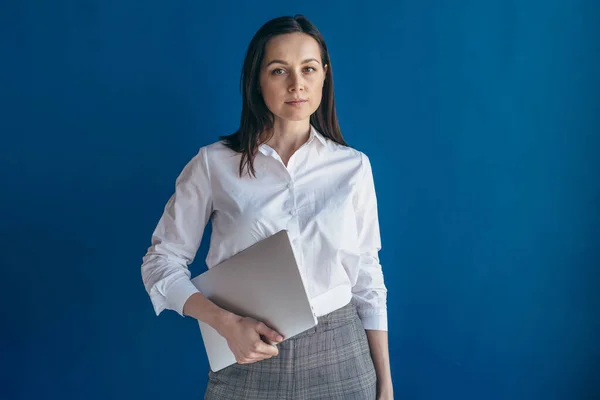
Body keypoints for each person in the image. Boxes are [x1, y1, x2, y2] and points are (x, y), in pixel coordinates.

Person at [141, 14, 393, 400]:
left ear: (324, 75)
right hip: (245, 354)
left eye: (308, 69)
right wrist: (224, 323)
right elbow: (161, 262)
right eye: (279, 71)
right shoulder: (213, 164)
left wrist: (384, 383)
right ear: (257, 80)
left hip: (342, 356)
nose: (297, 84)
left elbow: (367, 280)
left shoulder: (354, 167)